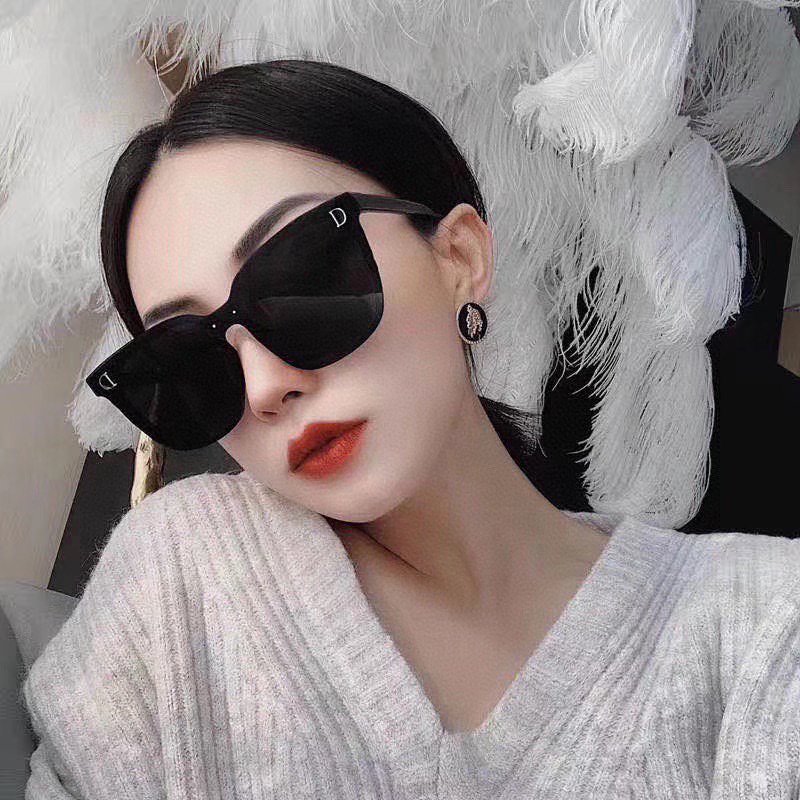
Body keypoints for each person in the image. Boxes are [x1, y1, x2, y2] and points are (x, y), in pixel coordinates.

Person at [21, 58, 800, 799]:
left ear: (458, 257)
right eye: (189, 359)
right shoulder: (185, 578)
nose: (264, 388)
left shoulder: (761, 626)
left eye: (302, 279)